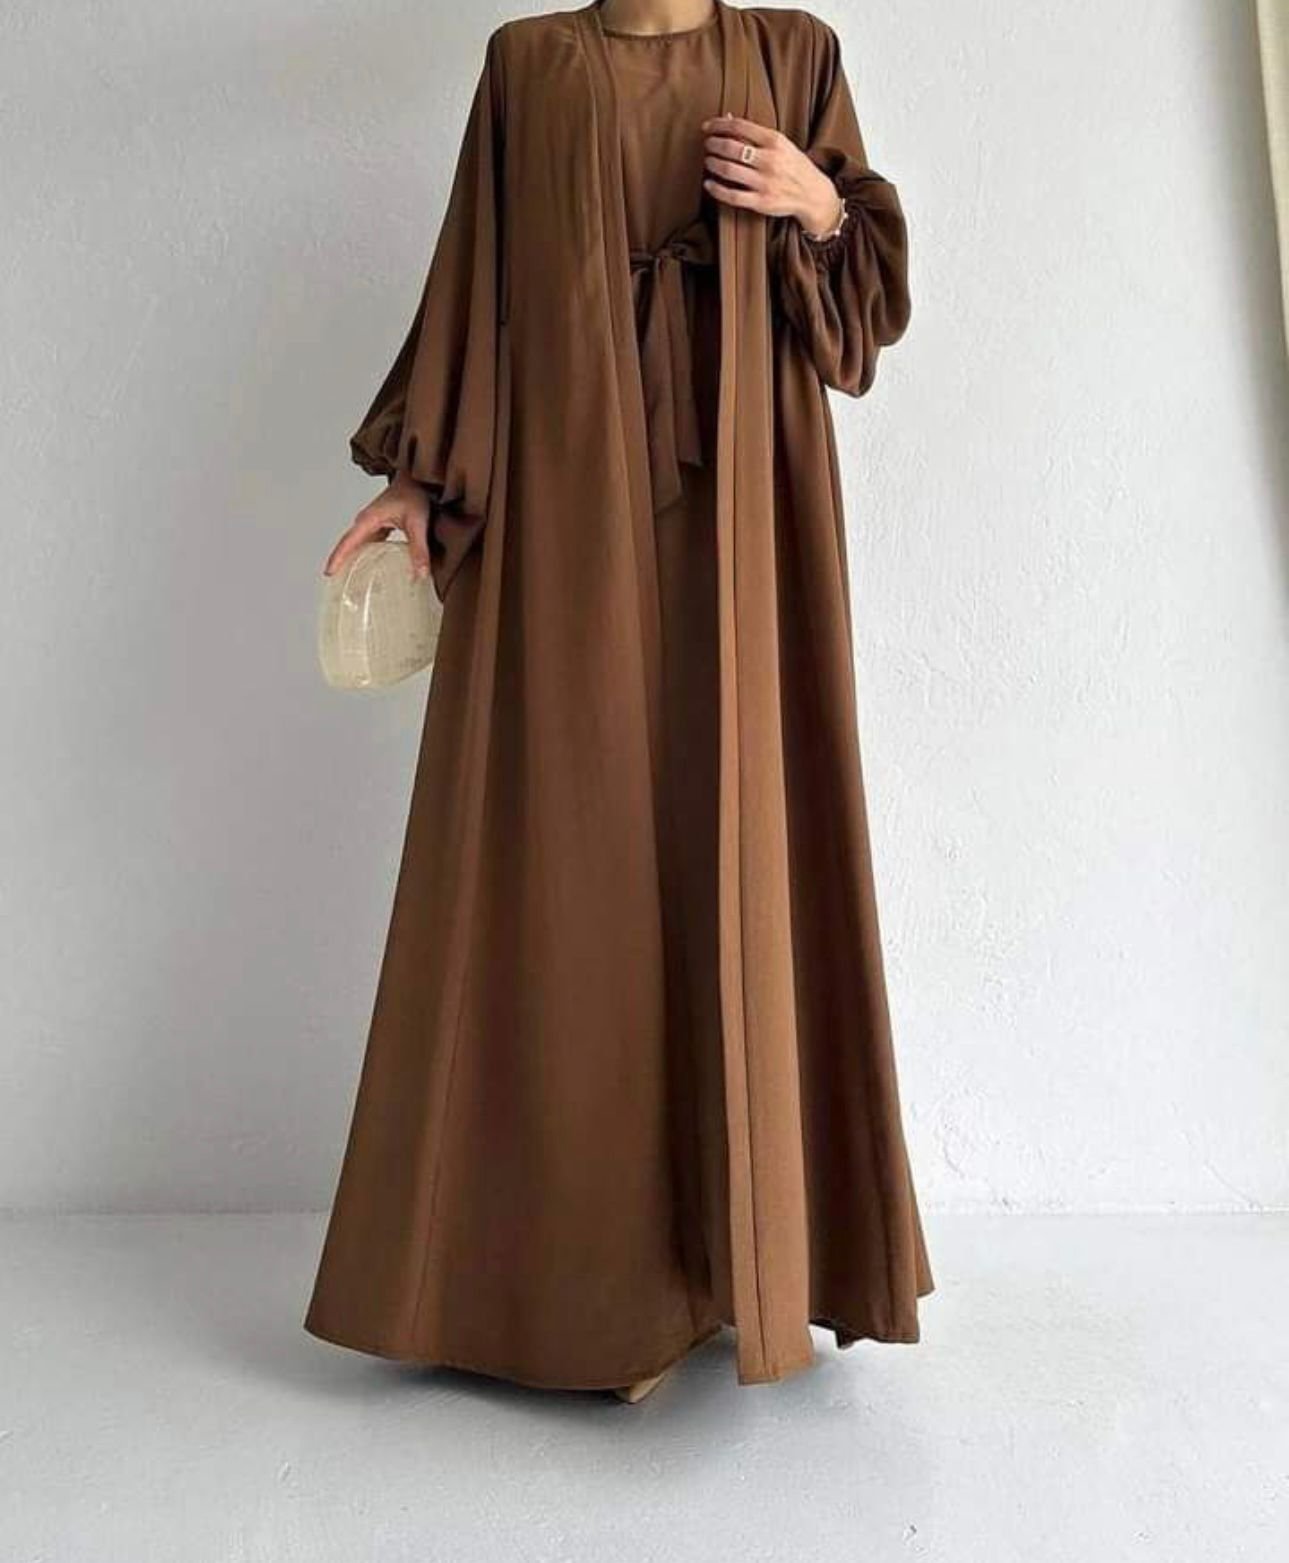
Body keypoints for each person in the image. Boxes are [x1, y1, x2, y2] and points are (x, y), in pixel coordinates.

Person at [307, 0, 934, 1404]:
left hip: (748, 516)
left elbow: (859, 325)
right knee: (571, 872)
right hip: (566, 508)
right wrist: (414, 482)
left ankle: (746, 1260)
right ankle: (583, 1292)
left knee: (744, 844)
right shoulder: (527, 66)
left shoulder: (791, 52)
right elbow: (477, 293)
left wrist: (820, 204)